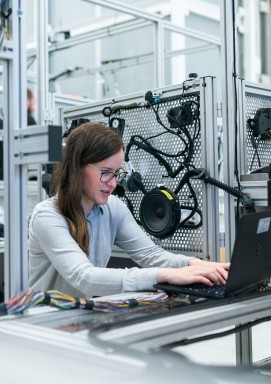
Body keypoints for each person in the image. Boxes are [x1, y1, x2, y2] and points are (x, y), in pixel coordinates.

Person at [28, 122, 230, 298]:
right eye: (106, 173)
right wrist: (164, 275)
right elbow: (85, 277)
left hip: (79, 316)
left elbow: (151, 255)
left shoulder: (113, 208)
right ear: (76, 168)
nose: (113, 183)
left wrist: (197, 265)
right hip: (44, 324)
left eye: (117, 173)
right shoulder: (48, 216)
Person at [0, 89, 36, 180]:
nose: (34, 107)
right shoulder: (28, 120)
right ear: (27, 101)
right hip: (16, 174)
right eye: (34, 102)